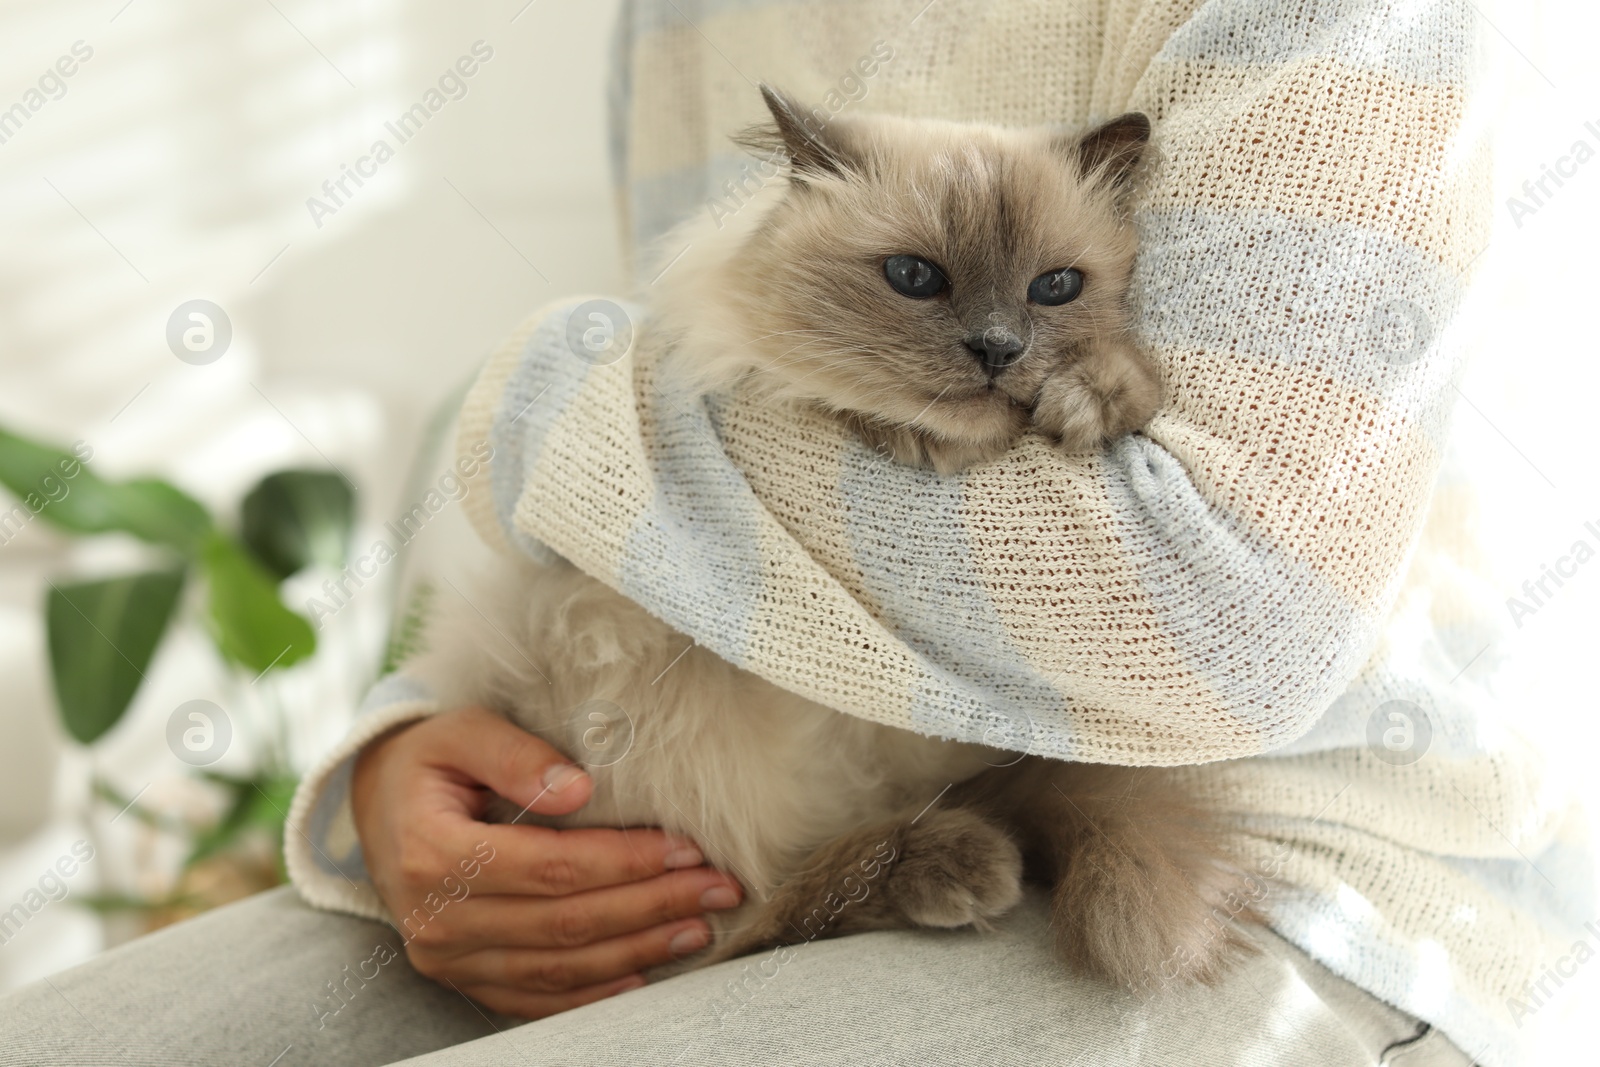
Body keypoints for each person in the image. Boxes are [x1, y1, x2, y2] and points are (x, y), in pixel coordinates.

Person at [2, 2, 1585, 1065]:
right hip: (732, 787)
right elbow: (692, 505)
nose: (984, 347)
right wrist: (414, 761)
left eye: (1040, 299)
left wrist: (533, 410)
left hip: (1310, 848)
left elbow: (1217, 617)